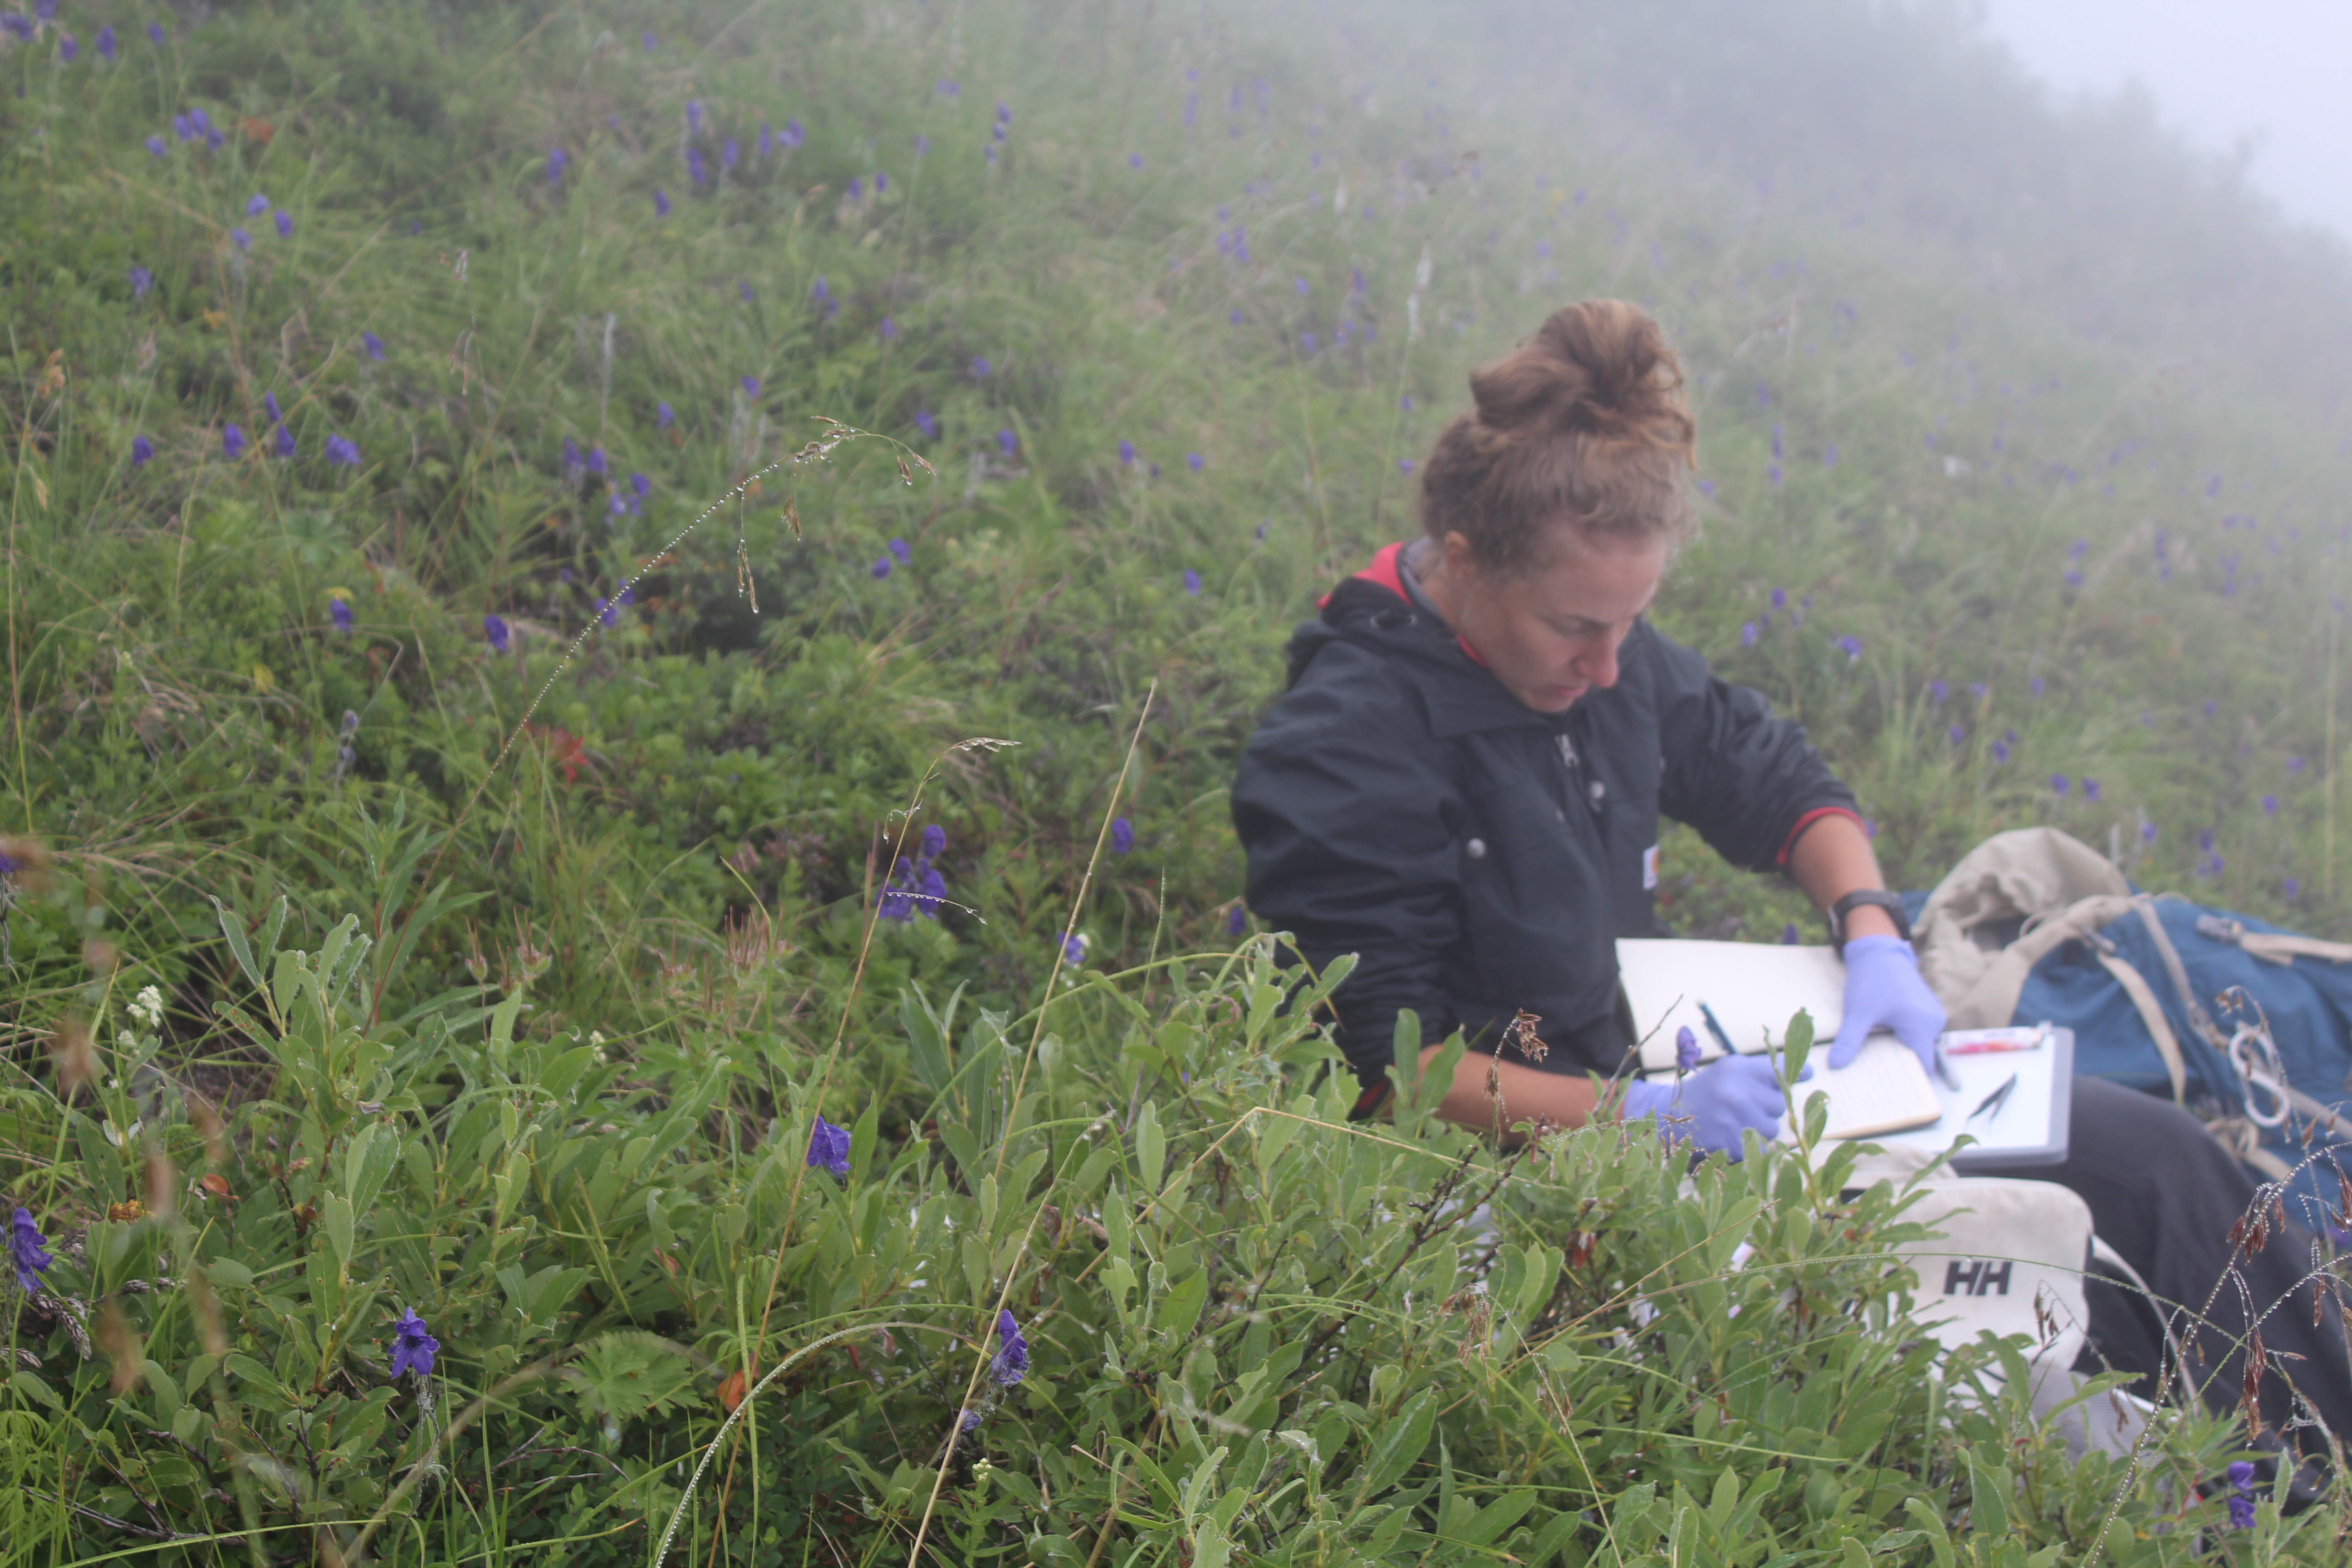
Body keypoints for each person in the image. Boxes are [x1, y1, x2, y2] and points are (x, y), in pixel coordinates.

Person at [1230, 298, 2352, 1457]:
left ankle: (2331, 1474)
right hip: (1529, 1185)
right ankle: (2228, 1491)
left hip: (1709, 1078)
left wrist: (1869, 931)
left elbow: (1775, 781)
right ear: (1465, 564)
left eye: (1633, 623)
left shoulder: (1602, 661)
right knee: (2037, 1354)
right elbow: (1390, 1066)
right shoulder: (1345, 746)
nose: (1609, 666)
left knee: (2161, 1168)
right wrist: (1639, 1124)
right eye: (1576, 626)